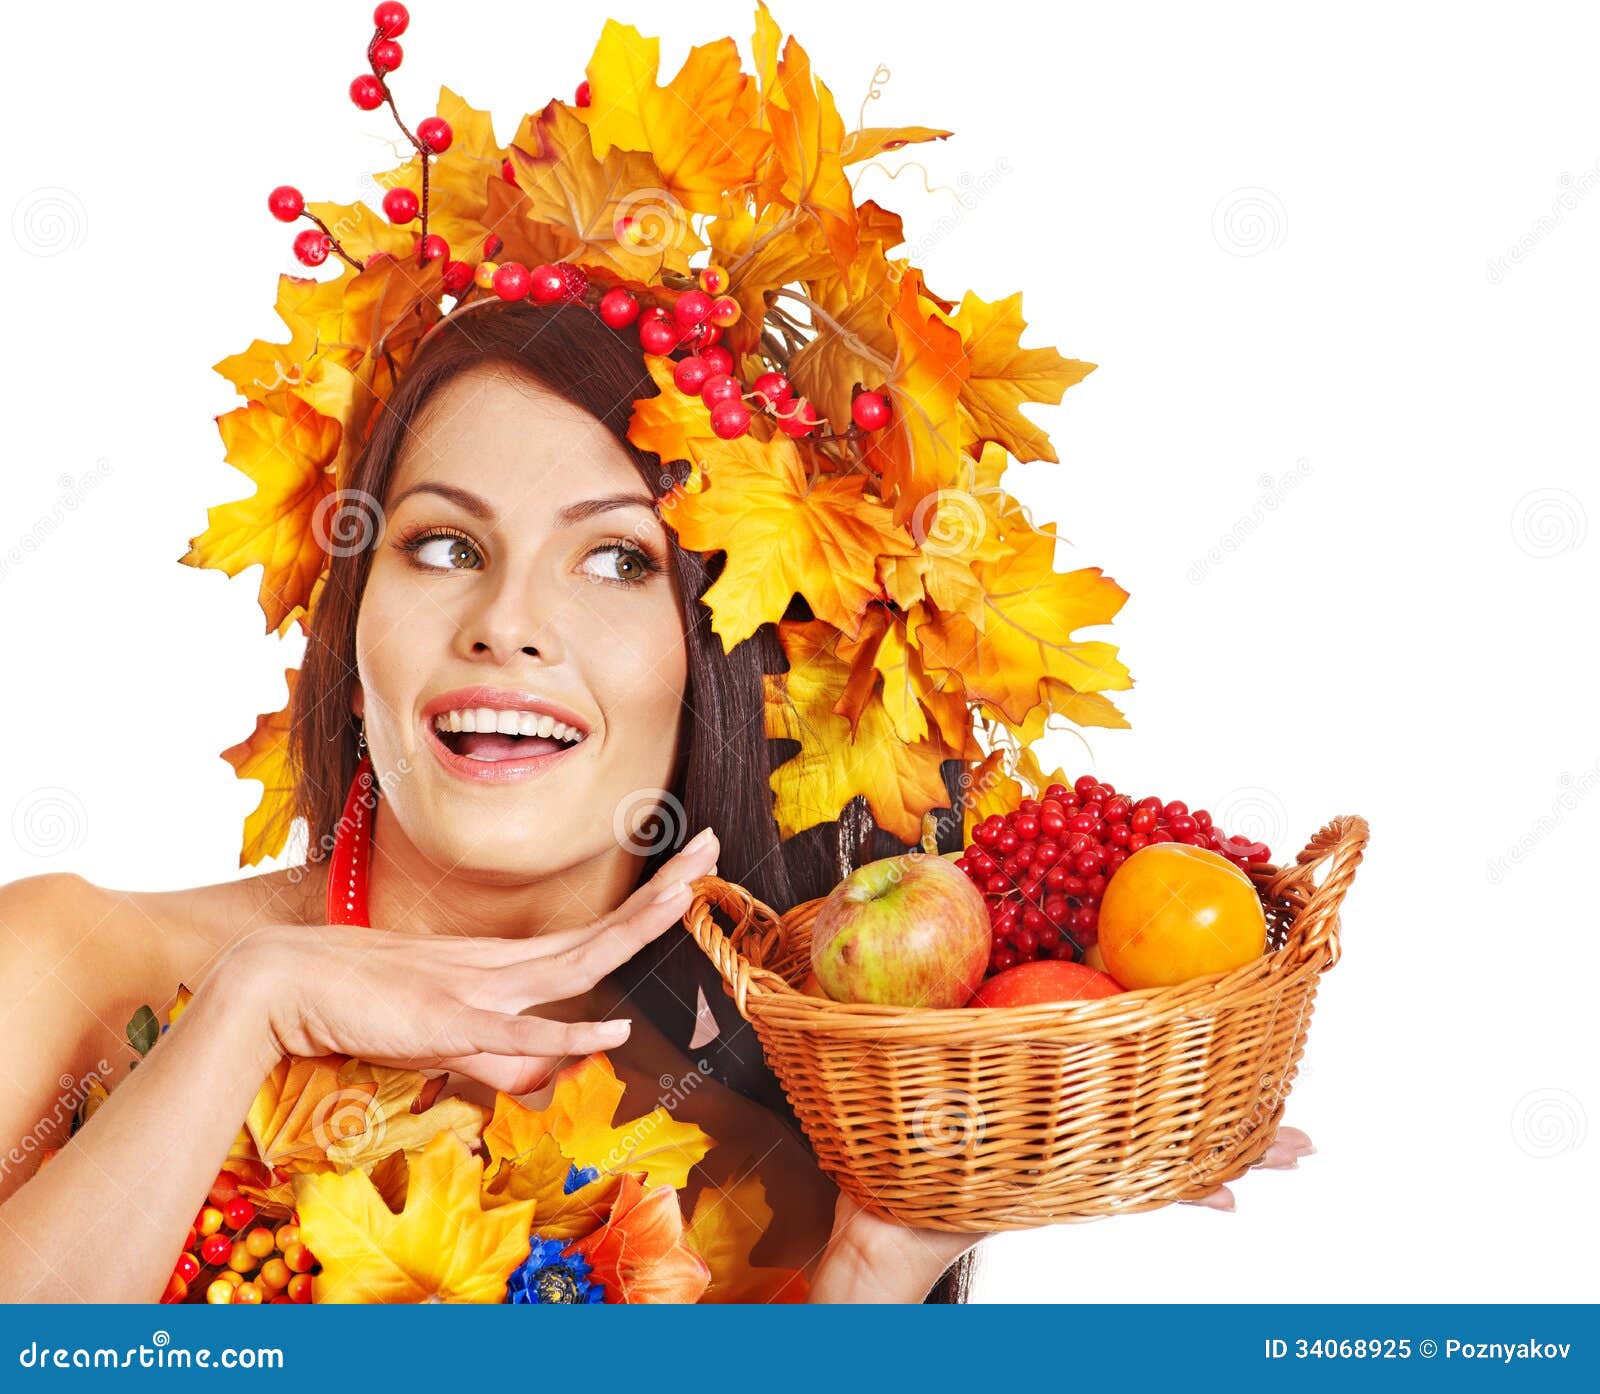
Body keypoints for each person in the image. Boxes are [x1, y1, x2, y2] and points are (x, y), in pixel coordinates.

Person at [0, 300, 1312, 1304]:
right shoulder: (70, 964)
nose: (507, 623)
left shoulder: (753, 1182)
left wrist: (870, 1277)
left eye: (617, 560)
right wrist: (252, 1005)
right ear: (357, 629)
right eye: (444, 545)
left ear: (710, 662)